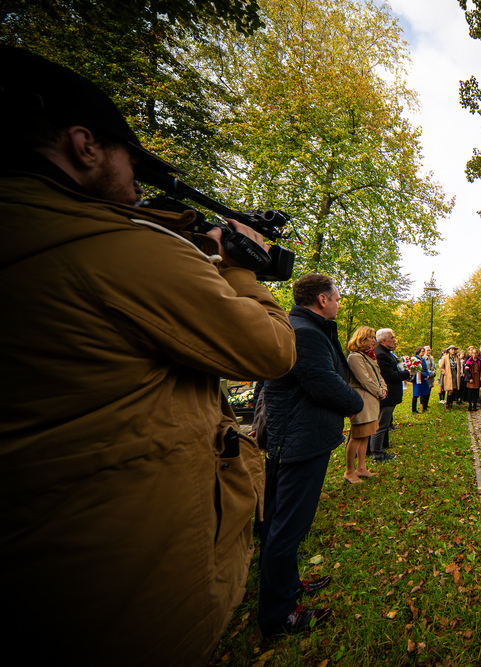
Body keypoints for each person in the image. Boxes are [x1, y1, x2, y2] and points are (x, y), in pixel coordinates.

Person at [0, 48, 298, 663]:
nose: (137, 178)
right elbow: (271, 349)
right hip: (123, 589)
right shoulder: (110, 247)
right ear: (84, 145)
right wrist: (239, 268)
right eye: (130, 158)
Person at [258, 274, 364, 635]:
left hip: (296, 436)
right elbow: (324, 383)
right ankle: (279, 614)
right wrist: (356, 402)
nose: (339, 303)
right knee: (286, 528)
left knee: (282, 523)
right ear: (322, 299)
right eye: (337, 298)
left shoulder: (303, 327)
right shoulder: (304, 332)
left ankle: (288, 586)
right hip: (299, 440)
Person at [345, 326, 387, 484]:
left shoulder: (369, 356)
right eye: (371, 337)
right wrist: (378, 391)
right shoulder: (355, 357)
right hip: (362, 400)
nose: (374, 340)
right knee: (356, 437)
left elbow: (378, 376)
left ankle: (361, 468)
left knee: (365, 436)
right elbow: (364, 379)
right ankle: (349, 471)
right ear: (362, 339)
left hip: (372, 400)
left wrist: (384, 388)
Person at [371, 328, 409, 462]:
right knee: (381, 426)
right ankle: (377, 455)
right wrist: (406, 373)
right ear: (383, 340)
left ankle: (381, 449)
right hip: (386, 395)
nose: (394, 340)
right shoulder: (381, 354)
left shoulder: (387, 353)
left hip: (390, 395)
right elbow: (389, 376)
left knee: (384, 425)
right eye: (392, 337)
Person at [411, 346, 432, 413]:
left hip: (424, 378)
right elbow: (417, 369)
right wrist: (425, 375)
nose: (423, 353)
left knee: (426, 392)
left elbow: (425, 368)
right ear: (418, 351)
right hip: (418, 378)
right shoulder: (415, 359)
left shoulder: (422, 359)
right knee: (416, 394)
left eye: (423, 351)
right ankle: (414, 410)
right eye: (422, 351)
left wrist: (428, 375)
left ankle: (424, 408)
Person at [465, 346, 481, 412]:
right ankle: (470, 405)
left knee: (476, 392)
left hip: (477, 378)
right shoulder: (469, 361)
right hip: (471, 378)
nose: (474, 354)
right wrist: (470, 378)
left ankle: (475, 405)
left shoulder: (479, 361)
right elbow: (466, 371)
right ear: (471, 354)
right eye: (473, 353)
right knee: (470, 392)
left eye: (475, 353)